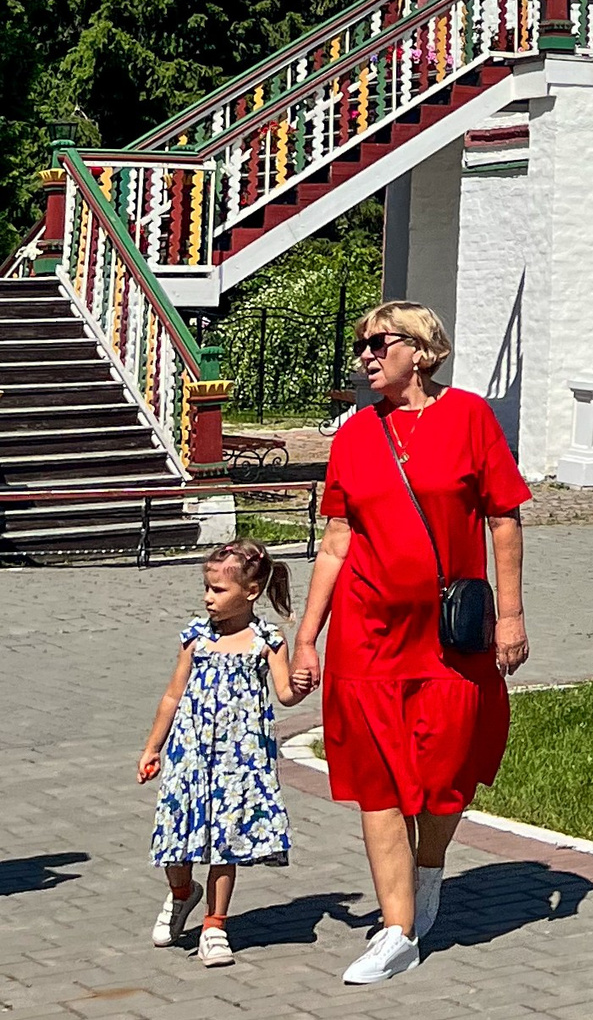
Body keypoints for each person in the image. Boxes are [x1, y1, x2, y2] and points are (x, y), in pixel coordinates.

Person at [288, 301, 530, 988]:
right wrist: (307, 636)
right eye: (359, 343)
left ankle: (428, 866)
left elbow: (503, 519)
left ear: (421, 351)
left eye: (377, 341)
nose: (364, 353)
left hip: (450, 634)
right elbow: (337, 540)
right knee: (380, 778)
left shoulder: (470, 418)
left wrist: (509, 616)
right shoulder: (354, 435)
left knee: (448, 771)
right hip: (367, 634)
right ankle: (396, 930)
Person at [136, 537, 303, 965]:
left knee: (224, 844)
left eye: (218, 590)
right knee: (176, 843)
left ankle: (215, 925)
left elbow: (284, 693)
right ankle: (182, 893)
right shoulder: (195, 638)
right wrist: (153, 747)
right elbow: (173, 696)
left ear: (250, 592)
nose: (208, 598)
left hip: (238, 763)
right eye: (207, 588)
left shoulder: (267, 639)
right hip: (188, 759)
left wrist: (300, 687)